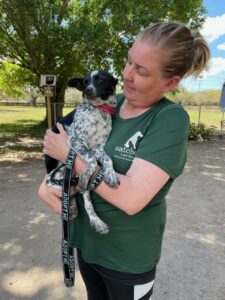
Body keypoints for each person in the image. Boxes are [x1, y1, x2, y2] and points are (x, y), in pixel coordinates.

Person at [38, 21, 210, 300]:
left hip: (126, 258)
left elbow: (131, 198)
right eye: (129, 61)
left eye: (141, 70)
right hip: (87, 243)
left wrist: (71, 158)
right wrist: (46, 184)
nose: (127, 74)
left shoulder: (168, 119)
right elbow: (63, 141)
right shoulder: (106, 102)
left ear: (170, 82)